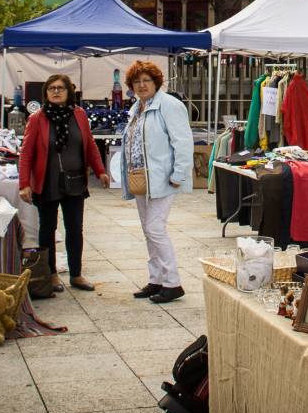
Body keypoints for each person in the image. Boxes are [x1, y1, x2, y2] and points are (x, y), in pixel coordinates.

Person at [19, 74, 109, 292]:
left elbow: (89, 146)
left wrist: (100, 171)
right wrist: (24, 183)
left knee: (75, 229)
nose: (56, 91)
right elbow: (26, 154)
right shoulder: (37, 118)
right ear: (46, 93)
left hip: (75, 181)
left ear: (69, 92)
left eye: (60, 88)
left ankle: (76, 275)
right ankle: (50, 275)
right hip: (47, 181)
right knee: (47, 229)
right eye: (51, 88)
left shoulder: (79, 115)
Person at [121, 60, 193, 304]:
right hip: (141, 178)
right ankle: (156, 280)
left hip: (162, 178)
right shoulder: (137, 108)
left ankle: (172, 282)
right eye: (136, 82)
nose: (141, 85)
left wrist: (179, 174)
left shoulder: (169, 105)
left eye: (146, 80)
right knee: (148, 230)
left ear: (156, 82)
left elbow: (182, 141)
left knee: (155, 228)